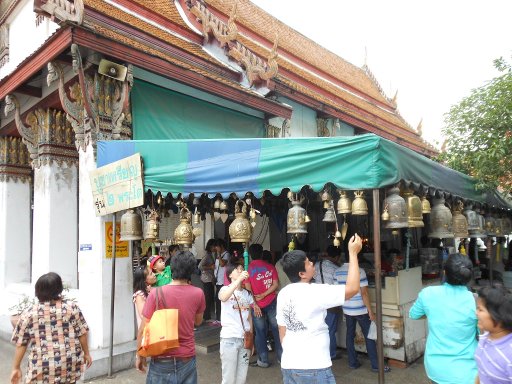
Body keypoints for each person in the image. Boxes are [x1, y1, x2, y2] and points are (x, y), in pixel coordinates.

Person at [276, 234, 363, 384]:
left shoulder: (283, 293)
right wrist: (353, 254)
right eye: (309, 263)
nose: (312, 264)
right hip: (314, 368)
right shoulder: (316, 292)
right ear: (301, 274)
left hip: (289, 365)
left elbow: (282, 330)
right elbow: (353, 289)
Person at [136, 250, 206, 383]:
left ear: (171, 268)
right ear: (191, 270)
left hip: (161, 358)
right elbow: (198, 321)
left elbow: (143, 329)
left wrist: (139, 355)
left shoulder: (155, 293)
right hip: (187, 358)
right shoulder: (198, 293)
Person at [10, 272, 92, 384]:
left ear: (37, 290)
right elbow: (82, 333)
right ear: (59, 289)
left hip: (41, 367)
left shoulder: (29, 314)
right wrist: (86, 353)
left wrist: (16, 367)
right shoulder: (71, 308)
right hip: (69, 364)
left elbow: (21, 343)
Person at [409, 253, 478, 384]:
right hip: (467, 372)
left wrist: (433, 312)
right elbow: (483, 334)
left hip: (436, 369)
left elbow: (414, 314)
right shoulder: (475, 301)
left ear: (444, 272)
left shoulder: (428, 294)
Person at [334, 251, 390, 372]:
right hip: (360, 309)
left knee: (349, 335)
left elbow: (338, 292)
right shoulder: (360, 271)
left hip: (347, 310)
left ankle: (352, 363)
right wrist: (370, 311)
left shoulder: (337, 272)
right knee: (369, 336)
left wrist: (344, 307)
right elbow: (364, 293)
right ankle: (376, 365)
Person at [245, 243, 282, 368]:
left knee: (260, 332)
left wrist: (255, 301)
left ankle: (263, 360)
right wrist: (264, 294)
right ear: (261, 253)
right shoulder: (270, 266)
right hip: (271, 301)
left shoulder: (249, 269)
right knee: (277, 330)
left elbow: (248, 287)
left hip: (257, 306)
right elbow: (275, 284)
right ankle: (282, 358)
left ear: (250, 255)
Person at [218, 263, 253, 384]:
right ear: (230, 274)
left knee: (241, 378)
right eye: (237, 269)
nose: (241, 271)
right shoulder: (224, 289)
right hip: (229, 339)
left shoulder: (247, 294)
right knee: (228, 378)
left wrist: (251, 338)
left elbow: (249, 317)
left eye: (242, 269)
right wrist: (238, 280)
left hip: (244, 339)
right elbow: (223, 297)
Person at [474, 285, 512, 384]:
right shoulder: (486, 336)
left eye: (480, 309)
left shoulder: (509, 353)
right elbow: (481, 370)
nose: (476, 313)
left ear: (498, 316)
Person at [314, 245, 343, 361]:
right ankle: (331, 353)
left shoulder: (317, 265)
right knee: (330, 329)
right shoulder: (336, 269)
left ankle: (320, 351)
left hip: (318, 301)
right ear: (336, 257)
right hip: (331, 302)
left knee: (320, 328)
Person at [198, 239, 216, 321]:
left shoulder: (210, 254)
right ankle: (206, 316)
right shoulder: (207, 255)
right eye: (214, 246)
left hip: (209, 278)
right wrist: (210, 267)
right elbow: (200, 266)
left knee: (208, 297)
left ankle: (207, 315)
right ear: (210, 246)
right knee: (207, 298)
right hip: (206, 279)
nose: (215, 248)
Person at [214, 239, 231, 322]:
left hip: (223, 281)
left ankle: (220, 319)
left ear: (221, 246)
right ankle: (218, 318)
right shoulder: (219, 255)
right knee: (217, 299)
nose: (216, 248)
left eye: (217, 246)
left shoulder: (226, 254)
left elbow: (222, 264)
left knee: (220, 300)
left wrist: (219, 255)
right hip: (218, 280)